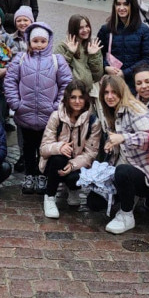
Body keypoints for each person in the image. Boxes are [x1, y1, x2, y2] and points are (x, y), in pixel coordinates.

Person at [4, 23, 72, 195]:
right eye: (36, 41)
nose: (39, 44)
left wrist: (56, 106)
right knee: (28, 148)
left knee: (45, 148)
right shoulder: (20, 58)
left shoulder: (57, 60)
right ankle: (30, 175)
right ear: (29, 41)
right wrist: (15, 104)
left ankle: (43, 175)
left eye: (43, 41)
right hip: (24, 114)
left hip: (48, 116)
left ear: (48, 42)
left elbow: (66, 84)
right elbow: (10, 81)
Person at [97, 75, 149, 235]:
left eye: (113, 92)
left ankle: (127, 214)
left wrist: (124, 138)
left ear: (122, 92)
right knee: (94, 203)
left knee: (123, 172)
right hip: (122, 164)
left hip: (144, 172)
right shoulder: (111, 111)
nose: (109, 97)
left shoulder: (136, 109)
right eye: (106, 93)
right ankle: (129, 197)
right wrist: (112, 144)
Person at [39, 80, 102, 219]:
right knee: (58, 159)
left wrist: (73, 165)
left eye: (80, 97)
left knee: (75, 176)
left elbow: (91, 153)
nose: (77, 101)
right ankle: (49, 197)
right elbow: (43, 148)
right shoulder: (56, 116)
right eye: (73, 97)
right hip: (55, 162)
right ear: (67, 98)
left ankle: (73, 189)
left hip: (78, 164)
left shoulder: (93, 121)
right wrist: (60, 147)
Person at [97, 0, 149, 91]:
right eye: (118, 4)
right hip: (112, 83)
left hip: (134, 83)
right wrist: (105, 67)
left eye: (126, 4)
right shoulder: (106, 29)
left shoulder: (143, 30)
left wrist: (125, 72)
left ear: (132, 6)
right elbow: (97, 54)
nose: (121, 8)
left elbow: (147, 59)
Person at [54, 14, 104, 91]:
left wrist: (93, 56)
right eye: (81, 28)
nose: (85, 30)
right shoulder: (63, 46)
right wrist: (70, 53)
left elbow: (98, 76)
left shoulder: (93, 45)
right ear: (74, 29)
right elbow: (57, 71)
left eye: (87, 26)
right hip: (69, 92)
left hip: (88, 92)